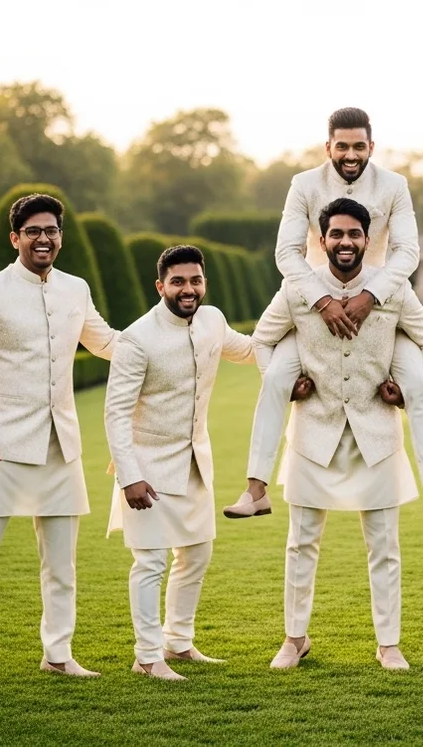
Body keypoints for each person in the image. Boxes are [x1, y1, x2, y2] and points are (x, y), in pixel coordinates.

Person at [223, 108, 423, 524]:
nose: (351, 154)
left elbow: (408, 251)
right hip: (310, 303)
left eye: (358, 146)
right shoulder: (303, 184)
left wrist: (372, 295)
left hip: (381, 303)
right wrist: (322, 300)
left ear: (371, 146)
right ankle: (255, 489)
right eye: (342, 146)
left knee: (419, 383)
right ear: (328, 147)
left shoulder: (394, 185)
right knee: (276, 378)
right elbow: (286, 252)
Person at [0, 194, 118, 691]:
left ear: (61, 236)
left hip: (61, 445)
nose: (44, 239)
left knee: (62, 564)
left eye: (52, 230)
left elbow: (105, 342)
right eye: (34, 231)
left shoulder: (76, 288)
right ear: (15, 237)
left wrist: (168, 342)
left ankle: (58, 654)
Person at [254, 198, 423, 671]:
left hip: (376, 434)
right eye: (336, 234)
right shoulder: (297, 287)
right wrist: (283, 384)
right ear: (321, 240)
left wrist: (408, 390)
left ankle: (389, 644)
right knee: (300, 544)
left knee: (385, 547)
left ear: (368, 239)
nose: (345, 242)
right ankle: (294, 639)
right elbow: (262, 339)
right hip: (313, 433)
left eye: (354, 233)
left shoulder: (394, 288)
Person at [105, 244, 256, 681]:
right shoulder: (137, 338)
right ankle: (146, 657)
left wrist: (298, 358)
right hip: (147, 470)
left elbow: (251, 350)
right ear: (160, 286)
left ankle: (178, 642)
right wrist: (129, 478)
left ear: (204, 283)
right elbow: (115, 414)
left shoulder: (213, 320)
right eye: (178, 282)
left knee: (196, 555)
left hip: (195, 465)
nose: (188, 289)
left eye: (195, 280)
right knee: (150, 563)